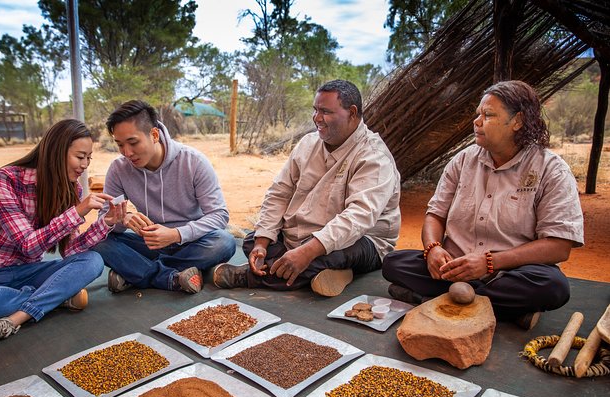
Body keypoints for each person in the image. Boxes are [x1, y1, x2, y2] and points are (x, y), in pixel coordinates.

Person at [382, 80, 584, 329]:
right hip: (453, 268)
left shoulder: (550, 169)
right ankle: (504, 310)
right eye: (478, 114)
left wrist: (490, 262)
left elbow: (559, 247)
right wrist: (433, 248)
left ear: (517, 121)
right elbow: (435, 215)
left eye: (488, 115)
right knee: (394, 263)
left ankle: (431, 299)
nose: (477, 121)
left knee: (553, 286)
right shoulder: (463, 161)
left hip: (508, 274)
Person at [0, 119, 126, 349]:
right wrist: (78, 211)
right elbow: (28, 245)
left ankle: (19, 315)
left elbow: (70, 251)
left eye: (88, 158)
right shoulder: (4, 180)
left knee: (93, 261)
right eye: (80, 157)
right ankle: (55, 297)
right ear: (56, 152)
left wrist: (106, 223)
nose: (84, 165)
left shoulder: (73, 190)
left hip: (27, 273)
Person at [212, 79, 401, 297]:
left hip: (360, 240)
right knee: (252, 240)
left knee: (333, 254)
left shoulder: (373, 157)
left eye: (325, 111)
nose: (317, 118)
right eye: (315, 110)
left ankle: (250, 277)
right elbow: (279, 193)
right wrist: (262, 243)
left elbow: (358, 218)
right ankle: (324, 272)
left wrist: (308, 252)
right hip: (301, 235)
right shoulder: (307, 144)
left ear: (352, 112)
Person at [92, 100, 235, 294]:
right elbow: (103, 222)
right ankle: (170, 277)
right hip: (149, 242)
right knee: (97, 241)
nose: (127, 153)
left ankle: (135, 272)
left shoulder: (194, 162)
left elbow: (219, 215)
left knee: (223, 242)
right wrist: (121, 219)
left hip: (190, 242)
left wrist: (176, 234)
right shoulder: (118, 169)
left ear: (154, 135)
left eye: (133, 143)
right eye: (120, 145)